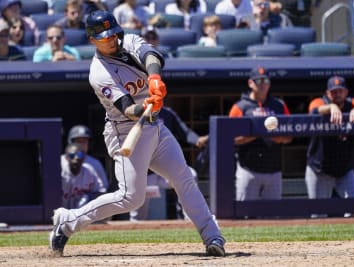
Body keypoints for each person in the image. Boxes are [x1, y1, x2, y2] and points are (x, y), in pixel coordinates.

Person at [49, 10, 225, 257]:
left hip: (155, 128)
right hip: (125, 130)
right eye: (103, 37)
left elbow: (151, 54)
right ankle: (67, 222)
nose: (110, 40)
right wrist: (147, 106)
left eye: (112, 34)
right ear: (92, 40)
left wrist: (153, 78)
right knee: (131, 198)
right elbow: (128, 109)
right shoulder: (99, 73)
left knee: (184, 178)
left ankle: (212, 236)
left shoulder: (129, 41)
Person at [305, 75, 354, 217]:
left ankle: (353, 240)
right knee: (318, 215)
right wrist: (331, 107)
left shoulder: (352, 103)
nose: (337, 94)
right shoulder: (321, 101)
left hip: (344, 170)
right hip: (320, 170)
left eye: (340, 90)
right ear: (327, 93)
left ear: (346, 92)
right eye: (334, 91)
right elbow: (314, 109)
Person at [129, 106, 209, 221]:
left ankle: (190, 219)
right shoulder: (134, 112)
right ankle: (134, 227)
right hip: (146, 174)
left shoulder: (167, 113)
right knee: (138, 213)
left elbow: (184, 132)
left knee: (191, 175)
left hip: (166, 171)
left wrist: (196, 139)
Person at [228, 67, 293, 201]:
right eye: (258, 81)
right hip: (248, 169)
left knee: (273, 217)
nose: (262, 84)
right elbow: (231, 139)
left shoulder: (279, 105)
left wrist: (278, 137)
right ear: (250, 83)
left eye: (265, 80)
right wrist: (257, 132)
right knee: (244, 214)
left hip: (274, 170)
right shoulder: (240, 107)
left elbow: (289, 136)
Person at [61, 143, 107, 209]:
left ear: (84, 157)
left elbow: (101, 192)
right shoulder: (60, 172)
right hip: (61, 213)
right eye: (72, 155)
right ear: (66, 157)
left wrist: (88, 198)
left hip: (82, 213)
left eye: (79, 155)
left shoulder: (89, 171)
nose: (76, 158)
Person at [66, 124, 109, 191]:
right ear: (71, 143)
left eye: (85, 142)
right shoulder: (61, 162)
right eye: (79, 141)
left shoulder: (95, 164)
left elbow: (103, 189)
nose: (82, 145)